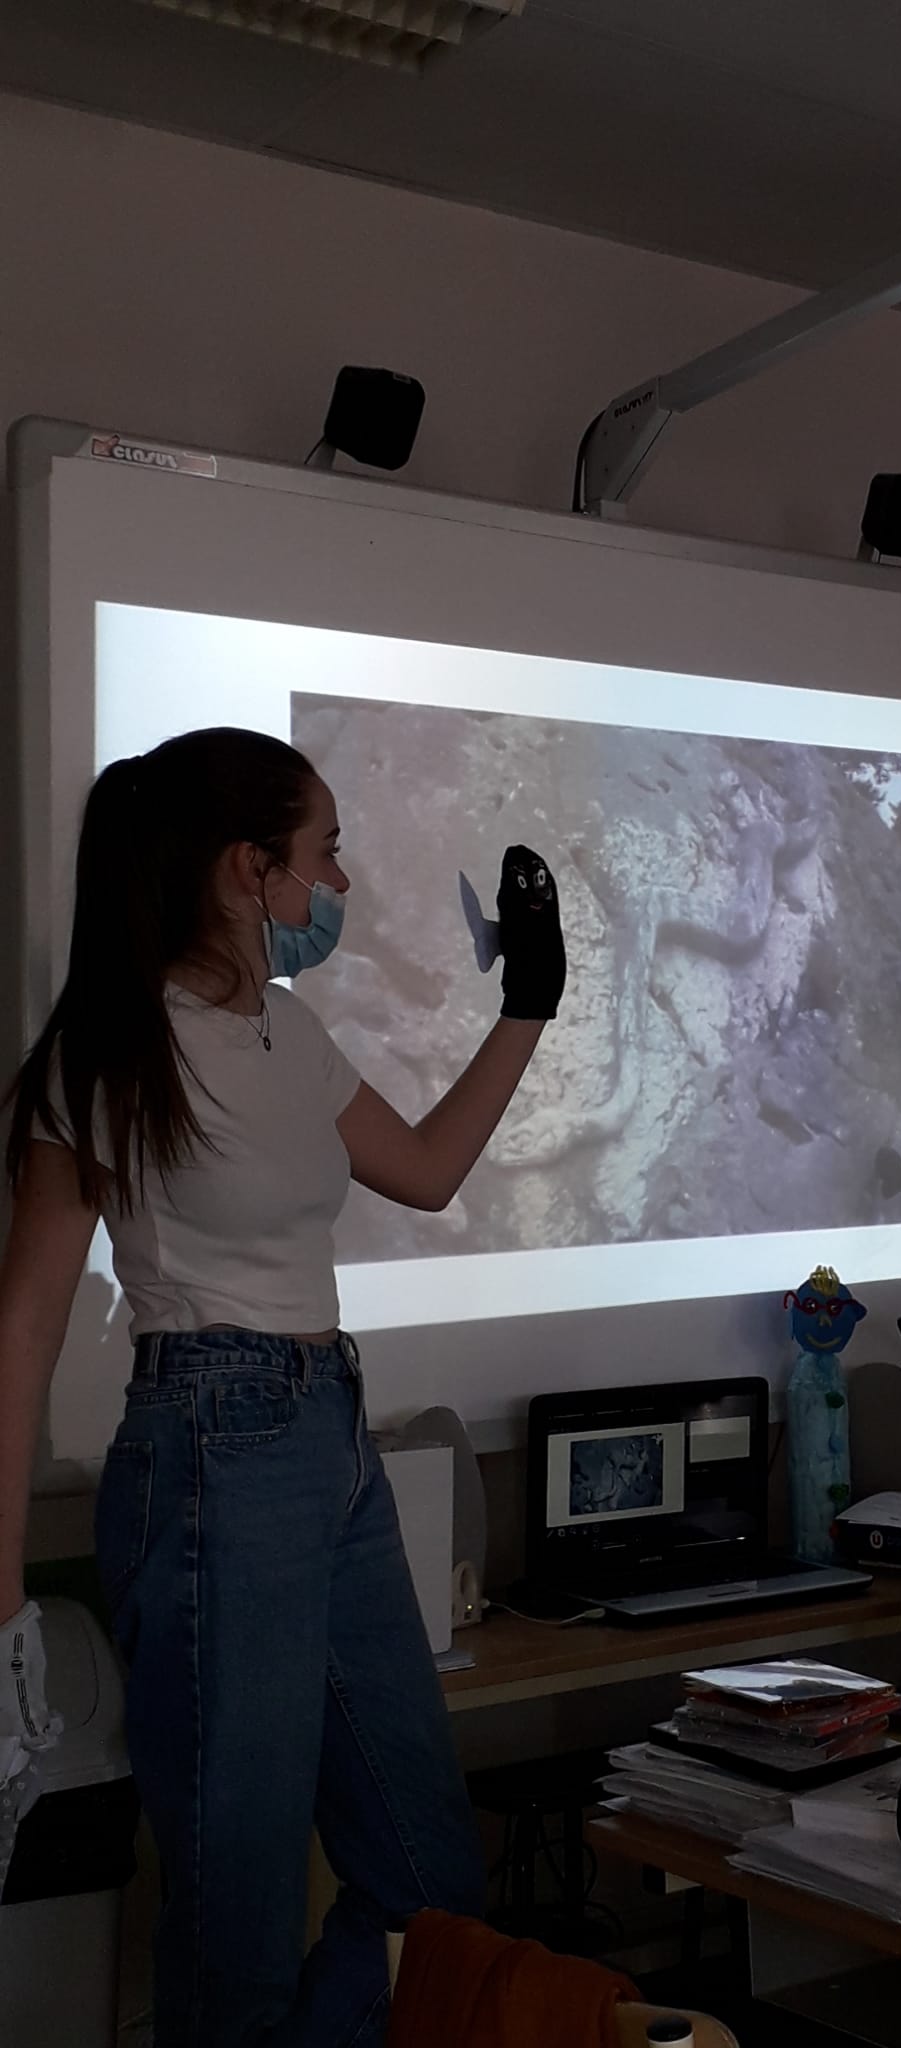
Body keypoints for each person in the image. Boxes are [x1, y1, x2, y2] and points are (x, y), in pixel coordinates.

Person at [0, 729, 566, 2047]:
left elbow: (425, 1169)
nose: (343, 883)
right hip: (210, 1447)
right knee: (237, 1927)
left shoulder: (288, 1030)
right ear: (246, 869)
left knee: (430, 1887)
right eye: (325, 852)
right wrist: (2, 1591)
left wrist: (528, 1004)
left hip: (328, 1433)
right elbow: (25, 1319)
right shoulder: (112, 1048)